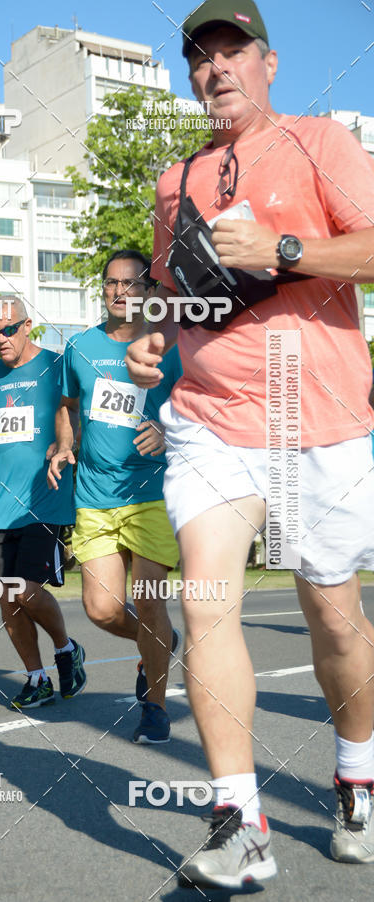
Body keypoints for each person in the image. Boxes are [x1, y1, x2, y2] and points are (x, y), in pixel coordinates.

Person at [125, 0, 374, 888]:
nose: (216, 68)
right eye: (200, 57)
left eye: (233, 51)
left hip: (320, 421)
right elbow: (167, 290)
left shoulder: (323, 143)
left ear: (268, 63)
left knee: (334, 619)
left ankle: (356, 778)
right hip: (210, 420)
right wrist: (153, 334)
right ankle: (241, 821)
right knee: (205, 604)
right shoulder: (173, 180)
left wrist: (285, 246)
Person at [47, 250, 183, 743]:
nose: (120, 292)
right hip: (95, 494)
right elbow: (66, 406)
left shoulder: (169, 347)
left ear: (149, 292)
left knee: (147, 599)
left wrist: (170, 433)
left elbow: (202, 407)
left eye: (131, 284)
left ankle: (155, 708)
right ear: (102, 290)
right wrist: (64, 443)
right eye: (111, 283)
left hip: (151, 492)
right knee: (102, 610)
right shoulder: (80, 348)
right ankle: (161, 646)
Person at [0, 296, 86, 709]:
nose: (0, 339)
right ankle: (37, 677)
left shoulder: (57, 367)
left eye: (8, 330)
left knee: (25, 588)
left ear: (28, 327)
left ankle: (66, 649)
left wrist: (69, 447)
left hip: (46, 499)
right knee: (7, 596)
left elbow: (78, 418)